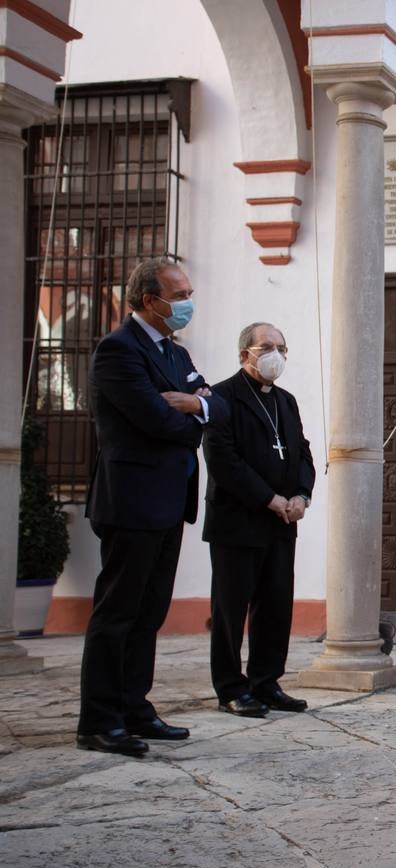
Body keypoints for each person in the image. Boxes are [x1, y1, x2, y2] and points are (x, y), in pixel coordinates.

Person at [77, 257, 218, 756]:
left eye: (188, 292)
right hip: (132, 500)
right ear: (147, 300)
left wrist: (192, 405)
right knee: (118, 612)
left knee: (149, 612)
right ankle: (99, 720)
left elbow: (212, 402)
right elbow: (155, 421)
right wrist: (189, 412)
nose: (186, 303)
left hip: (168, 500)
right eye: (177, 295)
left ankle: (135, 707)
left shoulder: (175, 353)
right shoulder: (119, 351)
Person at [202, 323, 315, 718]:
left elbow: (302, 452)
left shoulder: (286, 401)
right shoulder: (220, 397)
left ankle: (266, 682)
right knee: (231, 608)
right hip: (238, 520)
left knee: (276, 605)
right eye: (267, 346)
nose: (276, 355)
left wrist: (302, 495)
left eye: (282, 347)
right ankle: (231, 687)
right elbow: (223, 461)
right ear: (244, 353)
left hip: (282, 522)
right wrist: (270, 499)